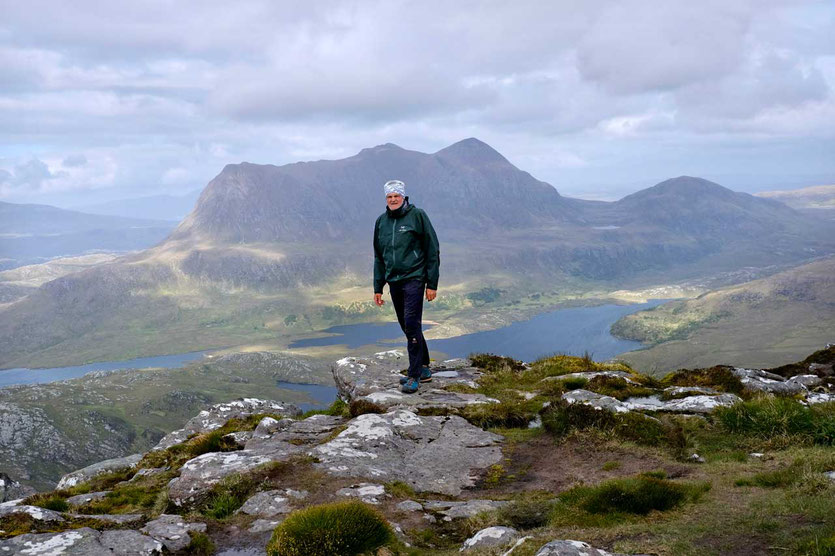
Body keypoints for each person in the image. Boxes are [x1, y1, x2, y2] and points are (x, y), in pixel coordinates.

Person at [373, 179, 440, 394]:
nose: (393, 199)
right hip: (394, 280)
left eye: (396, 196)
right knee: (406, 325)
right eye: (389, 196)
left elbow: (432, 249)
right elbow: (379, 256)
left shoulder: (417, 216)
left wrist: (432, 283)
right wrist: (377, 286)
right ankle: (424, 367)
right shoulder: (381, 222)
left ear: (404, 197)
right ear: (386, 199)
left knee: (411, 324)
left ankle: (414, 376)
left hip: (414, 278)